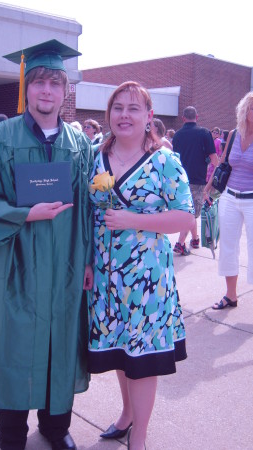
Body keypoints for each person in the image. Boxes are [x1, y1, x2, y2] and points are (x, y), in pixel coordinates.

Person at [0, 39, 93, 450]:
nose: (47, 90)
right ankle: (11, 435)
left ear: (66, 91)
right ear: (27, 88)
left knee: (60, 343)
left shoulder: (80, 142)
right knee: (16, 344)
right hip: (16, 260)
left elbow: (87, 205)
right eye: (39, 82)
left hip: (67, 260)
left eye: (55, 82)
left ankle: (56, 428)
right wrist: (23, 214)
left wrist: (87, 260)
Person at [88, 81, 195, 450]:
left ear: (149, 117)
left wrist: (135, 220)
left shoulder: (165, 161)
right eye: (118, 107)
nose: (124, 115)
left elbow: (186, 219)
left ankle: (141, 436)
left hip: (147, 279)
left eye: (134, 108)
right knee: (121, 350)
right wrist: (87, 262)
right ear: (109, 114)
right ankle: (127, 413)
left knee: (144, 357)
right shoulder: (93, 156)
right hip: (104, 275)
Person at [204, 91, 253, 310]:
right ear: (245, 110)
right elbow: (223, 162)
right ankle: (230, 296)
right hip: (230, 197)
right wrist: (208, 188)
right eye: (252, 107)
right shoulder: (233, 134)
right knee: (228, 247)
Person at [172, 106, 218, 255]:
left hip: (179, 180)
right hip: (197, 180)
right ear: (197, 117)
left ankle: (195, 239)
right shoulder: (204, 133)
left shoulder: (177, 135)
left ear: (183, 118)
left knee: (187, 210)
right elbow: (214, 160)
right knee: (191, 213)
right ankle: (180, 242)